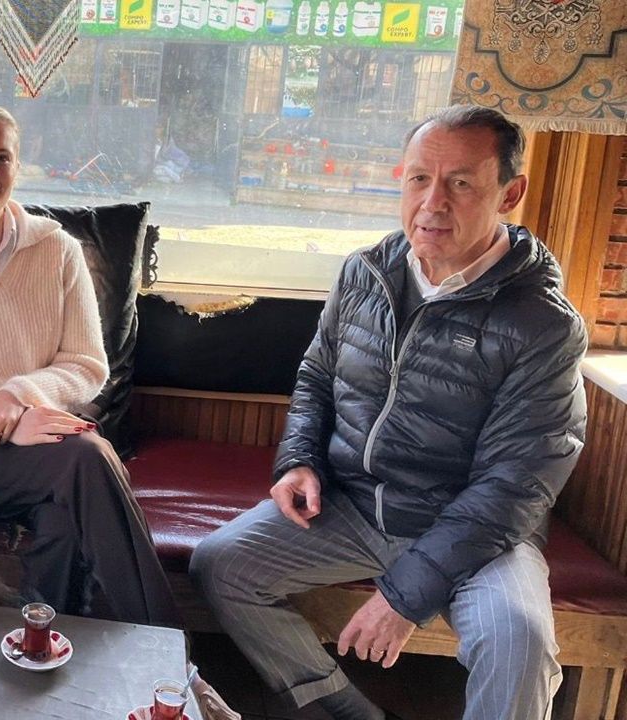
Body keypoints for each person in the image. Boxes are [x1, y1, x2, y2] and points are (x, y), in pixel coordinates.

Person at [189, 105, 587, 720]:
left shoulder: (543, 324)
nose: (433, 202)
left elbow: (515, 486)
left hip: (474, 531)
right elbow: (317, 377)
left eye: (460, 183)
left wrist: (404, 598)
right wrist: (299, 460)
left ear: (510, 194)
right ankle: (347, 712)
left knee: (520, 641)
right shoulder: (365, 273)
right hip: (352, 505)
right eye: (419, 179)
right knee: (222, 565)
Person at [0, 103, 180, 627]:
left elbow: (87, 364)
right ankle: (167, 646)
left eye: (1, 157)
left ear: (18, 167)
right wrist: (6, 423)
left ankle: (39, 642)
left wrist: (17, 396)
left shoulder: (57, 248)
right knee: (88, 455)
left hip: (50, 442)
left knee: (63, 522)